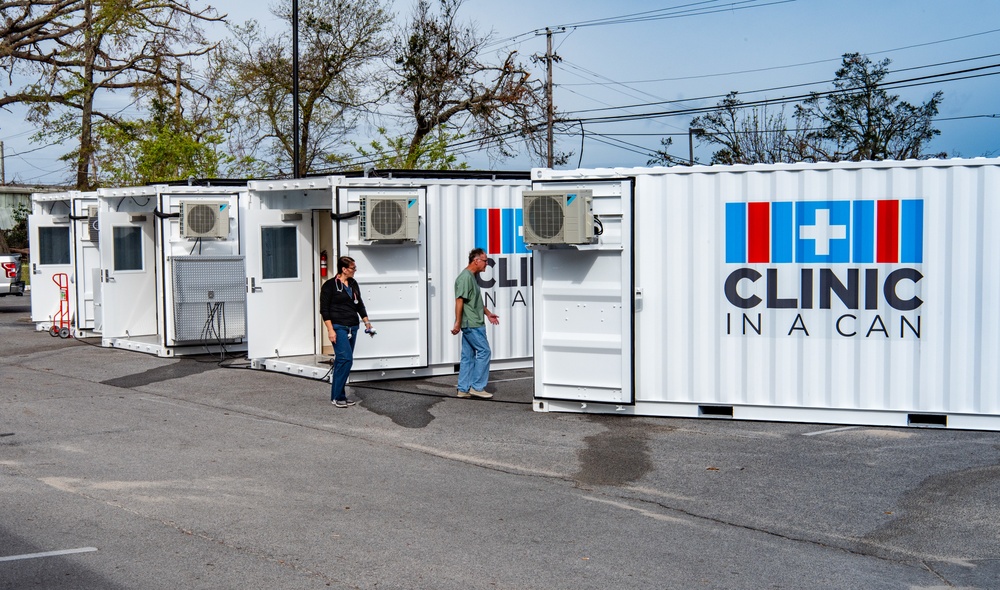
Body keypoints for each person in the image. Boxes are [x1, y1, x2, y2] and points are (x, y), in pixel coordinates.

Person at [320, 256, 372, 408]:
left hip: (352, 327)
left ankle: (340, 395)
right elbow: (324, 310)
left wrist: (367, 323)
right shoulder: (330, 286)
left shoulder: (353, 284)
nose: (355, 271)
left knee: (342, 362)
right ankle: (336, 396)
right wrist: (330, 330)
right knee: (346, 359)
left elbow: (359, 305)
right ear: (344, 269)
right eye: (352, 268)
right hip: (338, 327)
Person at [451, 248, 499, 399]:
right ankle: (477, 387)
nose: (487, 264)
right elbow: (459, 301)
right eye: (485, 261)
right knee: (485, 352)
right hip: (472, 324)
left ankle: (463, 389)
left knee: (468, 356)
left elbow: (474, 302)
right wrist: (458, 323)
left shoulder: (471, 276)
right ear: (476, 261)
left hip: (473, 322)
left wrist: (488, 313)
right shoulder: (465, 277)